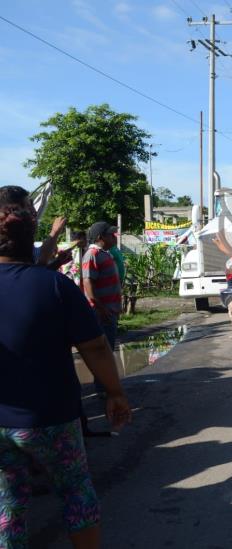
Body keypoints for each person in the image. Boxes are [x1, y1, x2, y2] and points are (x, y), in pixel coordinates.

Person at [0, 185, 132, 549]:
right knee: (75, 490)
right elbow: (94, 346)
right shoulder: (54, 285)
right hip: (53, 418)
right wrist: (116, 393)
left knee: (10, 502)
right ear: (32, 236)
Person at [82, 222, 123, 354]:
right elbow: (88, 282)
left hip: (110, 312)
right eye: (110, 234)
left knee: (108, 350)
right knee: (103, 353)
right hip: (102, 313)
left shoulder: (104, 254)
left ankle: (106, 375)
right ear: (100, 237)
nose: (114, 237)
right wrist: (100, 308)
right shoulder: (92, 254)